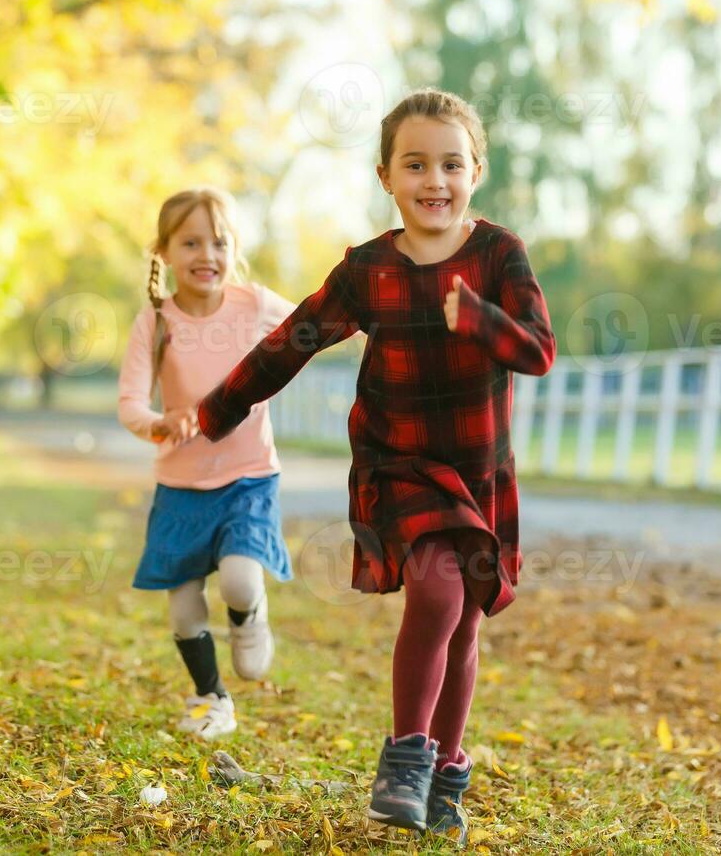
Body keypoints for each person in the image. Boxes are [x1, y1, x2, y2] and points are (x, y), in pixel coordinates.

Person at [197, 89, 556, 840]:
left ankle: (446, 778)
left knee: (463, 626)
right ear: (386, 177)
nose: (435, 180)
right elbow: (294, 339)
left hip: (480, 469)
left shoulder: (498, 255)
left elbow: (538, 351)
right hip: (398, 463)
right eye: (416, 164)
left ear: (476, 171)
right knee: (436, 590)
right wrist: (221, 407)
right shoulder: (369, 270)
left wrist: (480, 317)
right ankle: (405, 755)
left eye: (451, 164)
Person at [117, 186, 297, 740]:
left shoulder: (254, 304)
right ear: (164, 252)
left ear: (234, 248)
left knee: (241, 581)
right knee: (183, 607)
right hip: (181, 484)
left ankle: (250, 618)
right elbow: (129, 403)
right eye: (190, 243)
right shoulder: (156, 322)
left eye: (218, 242)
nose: (206, 255)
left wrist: (378, 320)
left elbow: (318, 329)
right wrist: (159, 424)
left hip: (248, 477)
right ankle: (209, 698)